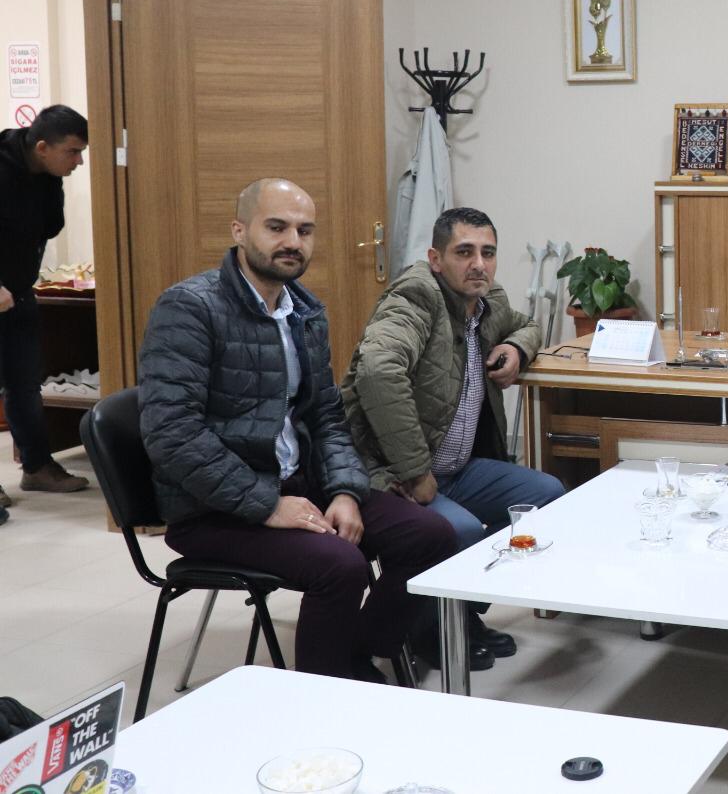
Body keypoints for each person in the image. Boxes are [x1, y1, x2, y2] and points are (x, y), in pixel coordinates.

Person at [138, 178, 457, 682]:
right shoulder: (189, 307)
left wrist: (345, 491)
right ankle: (317, 695)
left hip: (297, 484)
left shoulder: (304, 310)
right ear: (239, 230)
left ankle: (354, 653)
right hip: (212, 509)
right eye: (277, 227)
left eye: (305, 230)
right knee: (341, 565)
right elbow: (171, 432)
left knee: (432, 536)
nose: (293, 241)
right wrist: (267, 505)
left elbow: (326, 415)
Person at [342, 206, 564, 670]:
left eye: (488, 253)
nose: (478, 264)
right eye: (464, 252)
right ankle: (428, 630)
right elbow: (378, 372)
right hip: (393, 472)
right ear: (436, 259)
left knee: (545, 497)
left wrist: (515, 347)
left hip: (456, 467)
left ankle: (459, 611)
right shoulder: (415, 298)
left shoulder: (486, 299)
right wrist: (414, 471)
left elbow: (527, 325)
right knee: (458, 531)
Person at [0, 104, 92, 514]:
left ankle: (37, 466)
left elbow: (46, 227)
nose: (79, 161)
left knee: (25, 385)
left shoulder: (47, 177)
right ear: (42, 147)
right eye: (72, 152)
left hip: (19, 293)